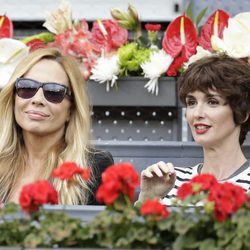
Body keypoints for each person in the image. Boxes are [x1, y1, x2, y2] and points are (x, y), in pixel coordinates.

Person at [0, 47, 113, 205]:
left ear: (71, 110)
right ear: (13, 98)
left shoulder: (95, 167)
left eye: (54, 91)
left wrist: (146, 198)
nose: (37, 99)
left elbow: (113, 227)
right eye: (27, 87)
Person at [138, 54, 250, 205]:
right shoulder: (168, 182)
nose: (197, 114)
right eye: (191, 102)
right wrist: (148, 198)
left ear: (242, 113)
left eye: (212, 102)